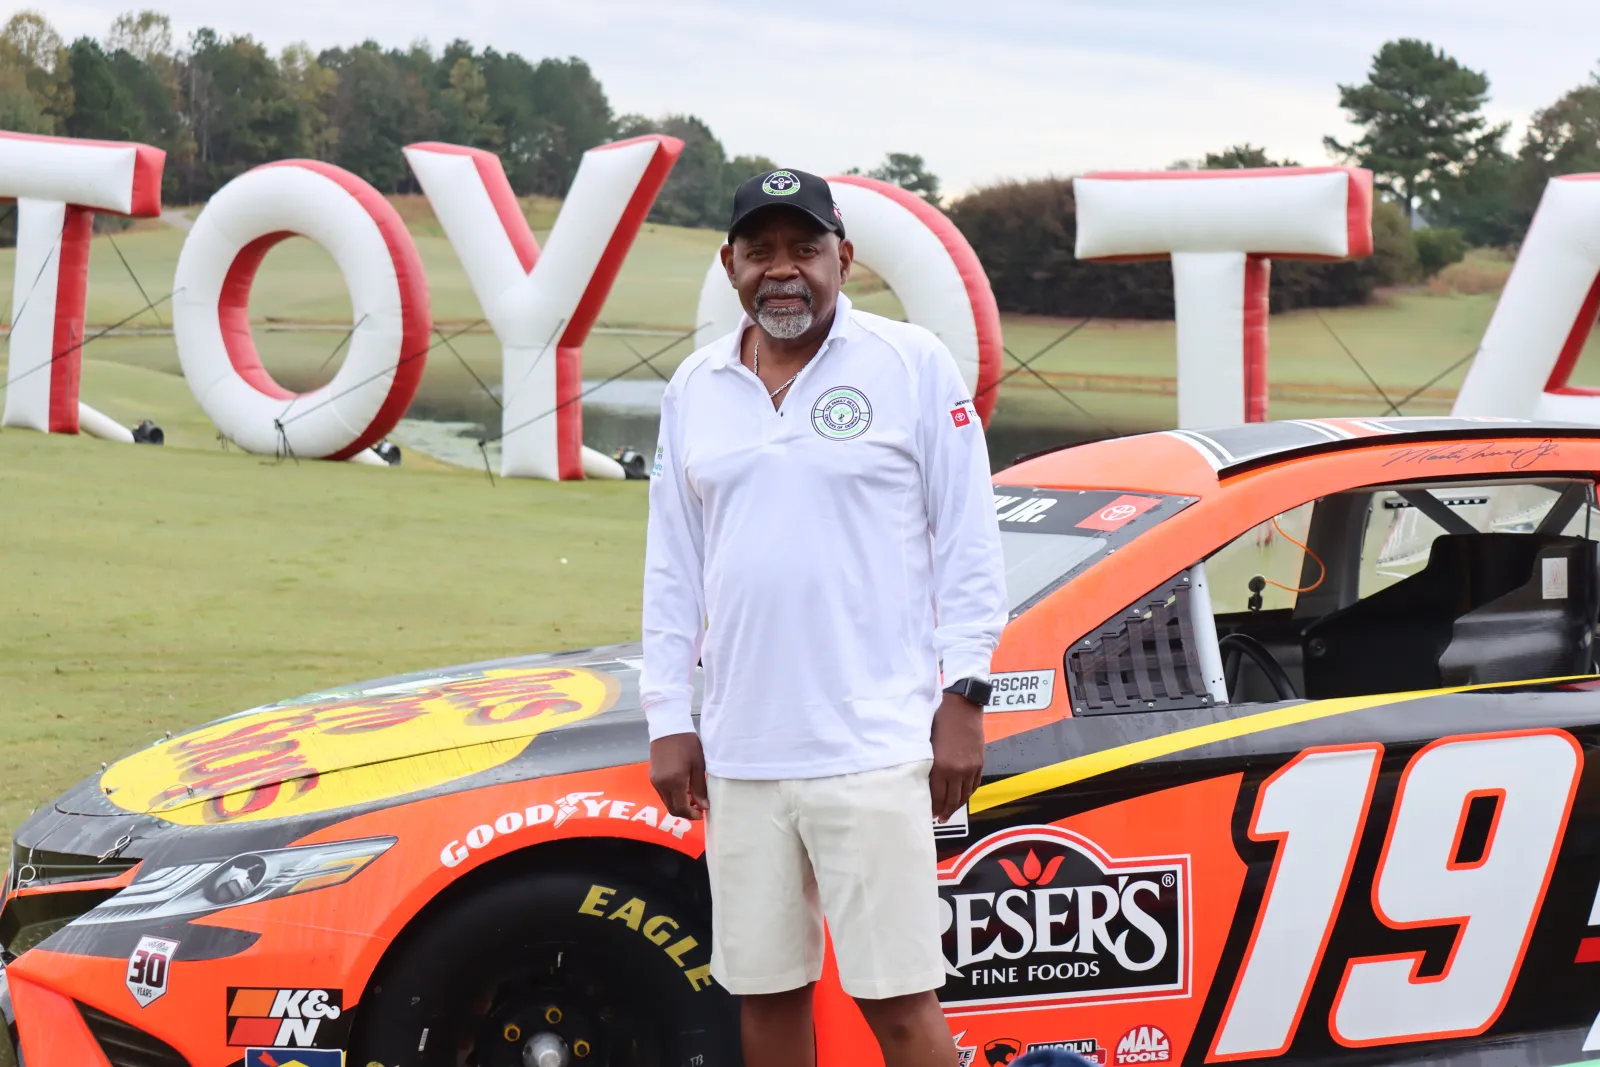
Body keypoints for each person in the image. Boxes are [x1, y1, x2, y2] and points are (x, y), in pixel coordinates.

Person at [641, 167, 1007, 1067]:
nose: (783, 270)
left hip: (872, 747)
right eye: (760, 251)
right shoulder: (695, 386)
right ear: (729, 265)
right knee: (765, 998)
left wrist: (965, 692)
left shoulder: (911, 362)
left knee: (900, 1000)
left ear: (842, 256)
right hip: (741, 754)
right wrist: (668, 717)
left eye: (804, 248)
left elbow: (969, 538)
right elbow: (672, 566)